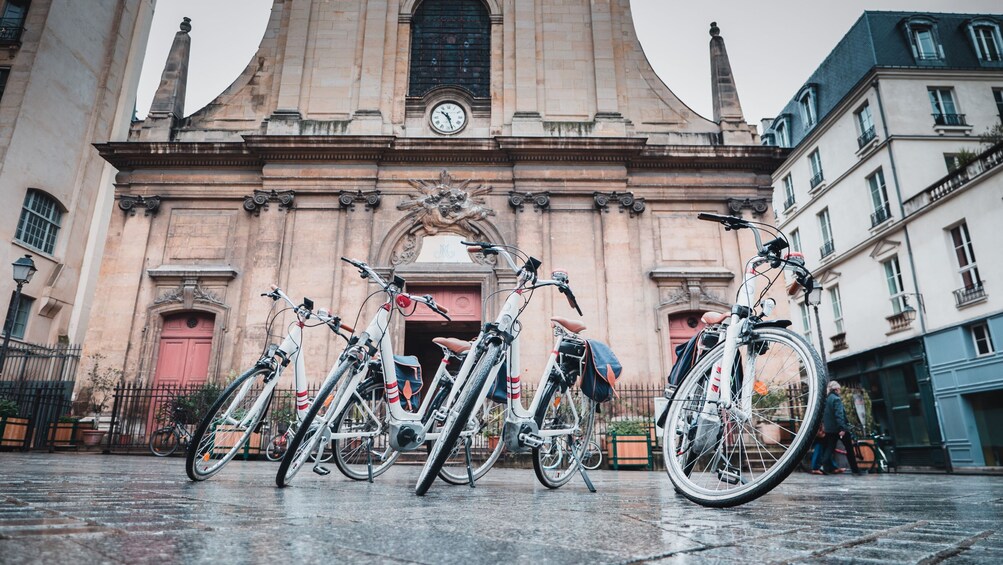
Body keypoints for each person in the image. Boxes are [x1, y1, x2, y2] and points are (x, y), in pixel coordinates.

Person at [818, 380, 862, 475]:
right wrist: (842, 428)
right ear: (837, 389)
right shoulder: (836, 399)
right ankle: (855, 470)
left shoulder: (826, 400)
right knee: (849, 449)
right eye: (839, 389)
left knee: (829, 448)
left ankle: (825, 466)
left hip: (829, 430)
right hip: (839, 429)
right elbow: (839, 414)